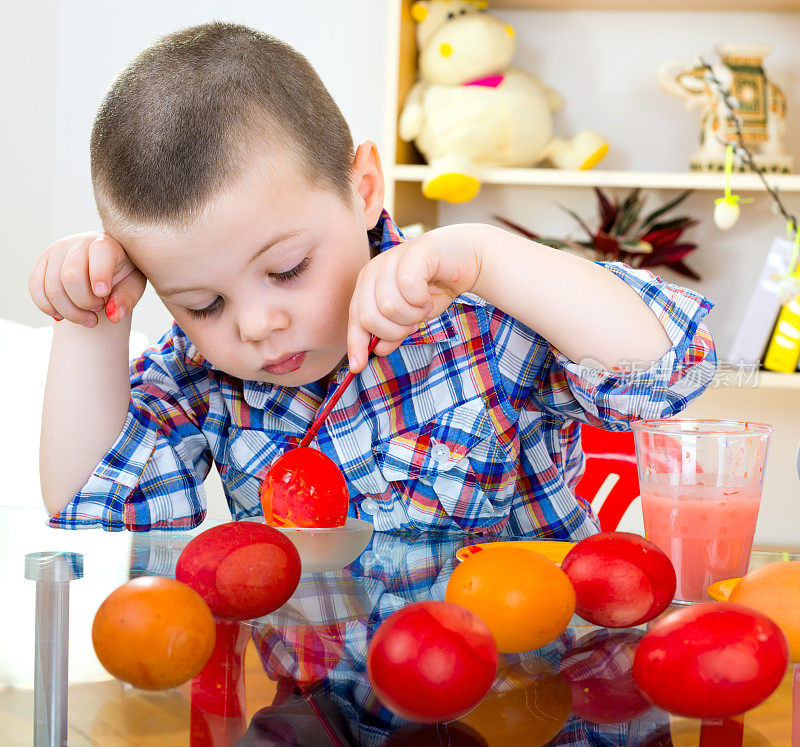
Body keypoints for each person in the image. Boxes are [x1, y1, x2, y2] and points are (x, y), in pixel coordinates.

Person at [28, 22, 716, 536]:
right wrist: (88, 318)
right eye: (203, 303)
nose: (254, 325)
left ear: (363, 189)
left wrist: (486, 254)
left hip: (535, 706)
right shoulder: (204, 375)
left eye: (287, 268)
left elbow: (669, 373)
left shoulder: (473, 314)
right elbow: (95, 513)